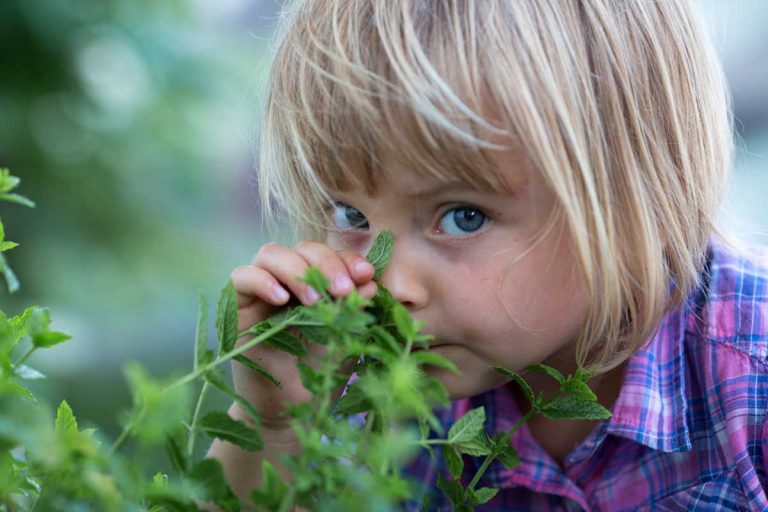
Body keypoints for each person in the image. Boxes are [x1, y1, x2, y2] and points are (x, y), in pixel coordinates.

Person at [207, 0, 768, 510]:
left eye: (462, 216)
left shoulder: (749, 376)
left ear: (633, 200)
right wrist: (274, 425)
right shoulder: (368, 389)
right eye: (351, 217)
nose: (389, 283)